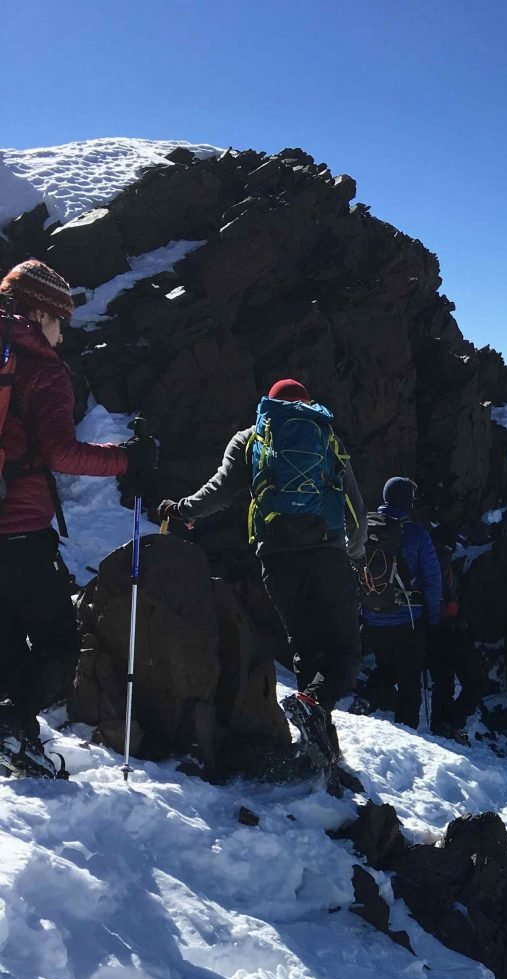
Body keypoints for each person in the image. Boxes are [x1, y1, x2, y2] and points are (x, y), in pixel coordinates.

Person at [158, 378, 365, 759]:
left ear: (268, 403)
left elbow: (221, 489)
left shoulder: (251, 438)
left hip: (277, 557)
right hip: (327, 553)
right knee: (346, 650)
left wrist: (184, 509)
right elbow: (354, 503)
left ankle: (317, 742)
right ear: (306, 401)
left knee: (305, 645)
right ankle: (316, 712)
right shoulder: (324, 434)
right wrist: (355, 551)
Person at [0, 260, 150, 775]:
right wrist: (127, 459)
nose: (62, 335)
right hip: (19, 532)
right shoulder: (42, 370)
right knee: (60, 645)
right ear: (41, 312)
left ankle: (14, 736)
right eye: (60, 321)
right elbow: (62, 454)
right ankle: (12, 730)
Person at [358, 476, 442, 728]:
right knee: (409, 681)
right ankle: (409, 736)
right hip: (408, 620)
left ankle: (366, 699)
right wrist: (433, 618)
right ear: (406, 500)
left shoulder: (366, 527)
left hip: (372, 615)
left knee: (386, 667)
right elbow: (432, 579)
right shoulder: (416, 534)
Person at [426, 526, 484, 741]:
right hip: (447, 630)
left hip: (431, 631)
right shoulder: (441, 559)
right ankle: (450, 723)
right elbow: (445, 601)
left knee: (444, 681)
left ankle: (441, 725)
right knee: (474, 681)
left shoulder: (428, 558)